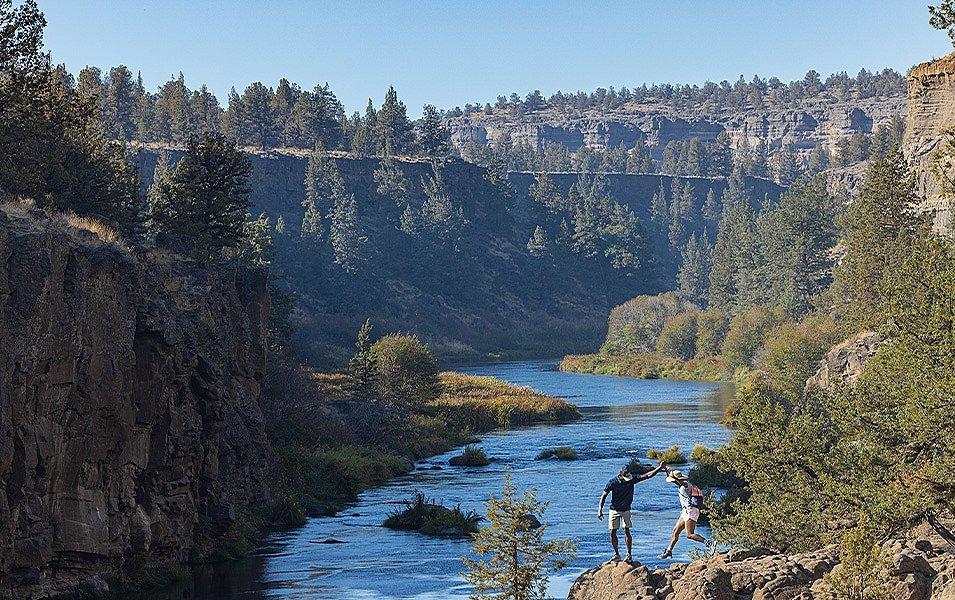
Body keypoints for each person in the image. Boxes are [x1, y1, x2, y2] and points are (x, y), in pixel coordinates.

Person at [597, 462, 666, 562]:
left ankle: (629, 555)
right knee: (612, 532)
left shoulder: (632, 479)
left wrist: (659, 468)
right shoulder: (612, 482)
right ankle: (616, 554)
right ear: (620, 475)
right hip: (614, 510)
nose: (629, 478)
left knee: (626, 531)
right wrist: (600, 510)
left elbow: (647, 475)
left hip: (626, 510)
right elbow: (604, 496)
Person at [658, 468, 709, 559]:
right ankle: (669, 551)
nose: (673, 482)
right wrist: (666, 470)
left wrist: (675, 478)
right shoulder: (680, 484)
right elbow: (673, 480)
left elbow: (681, 482)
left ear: (678, 479)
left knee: (689, 534)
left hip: (692, 511)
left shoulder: (686, 485)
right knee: (675, 531)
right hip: (685, 511)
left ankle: (709, 543)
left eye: (674, 480)